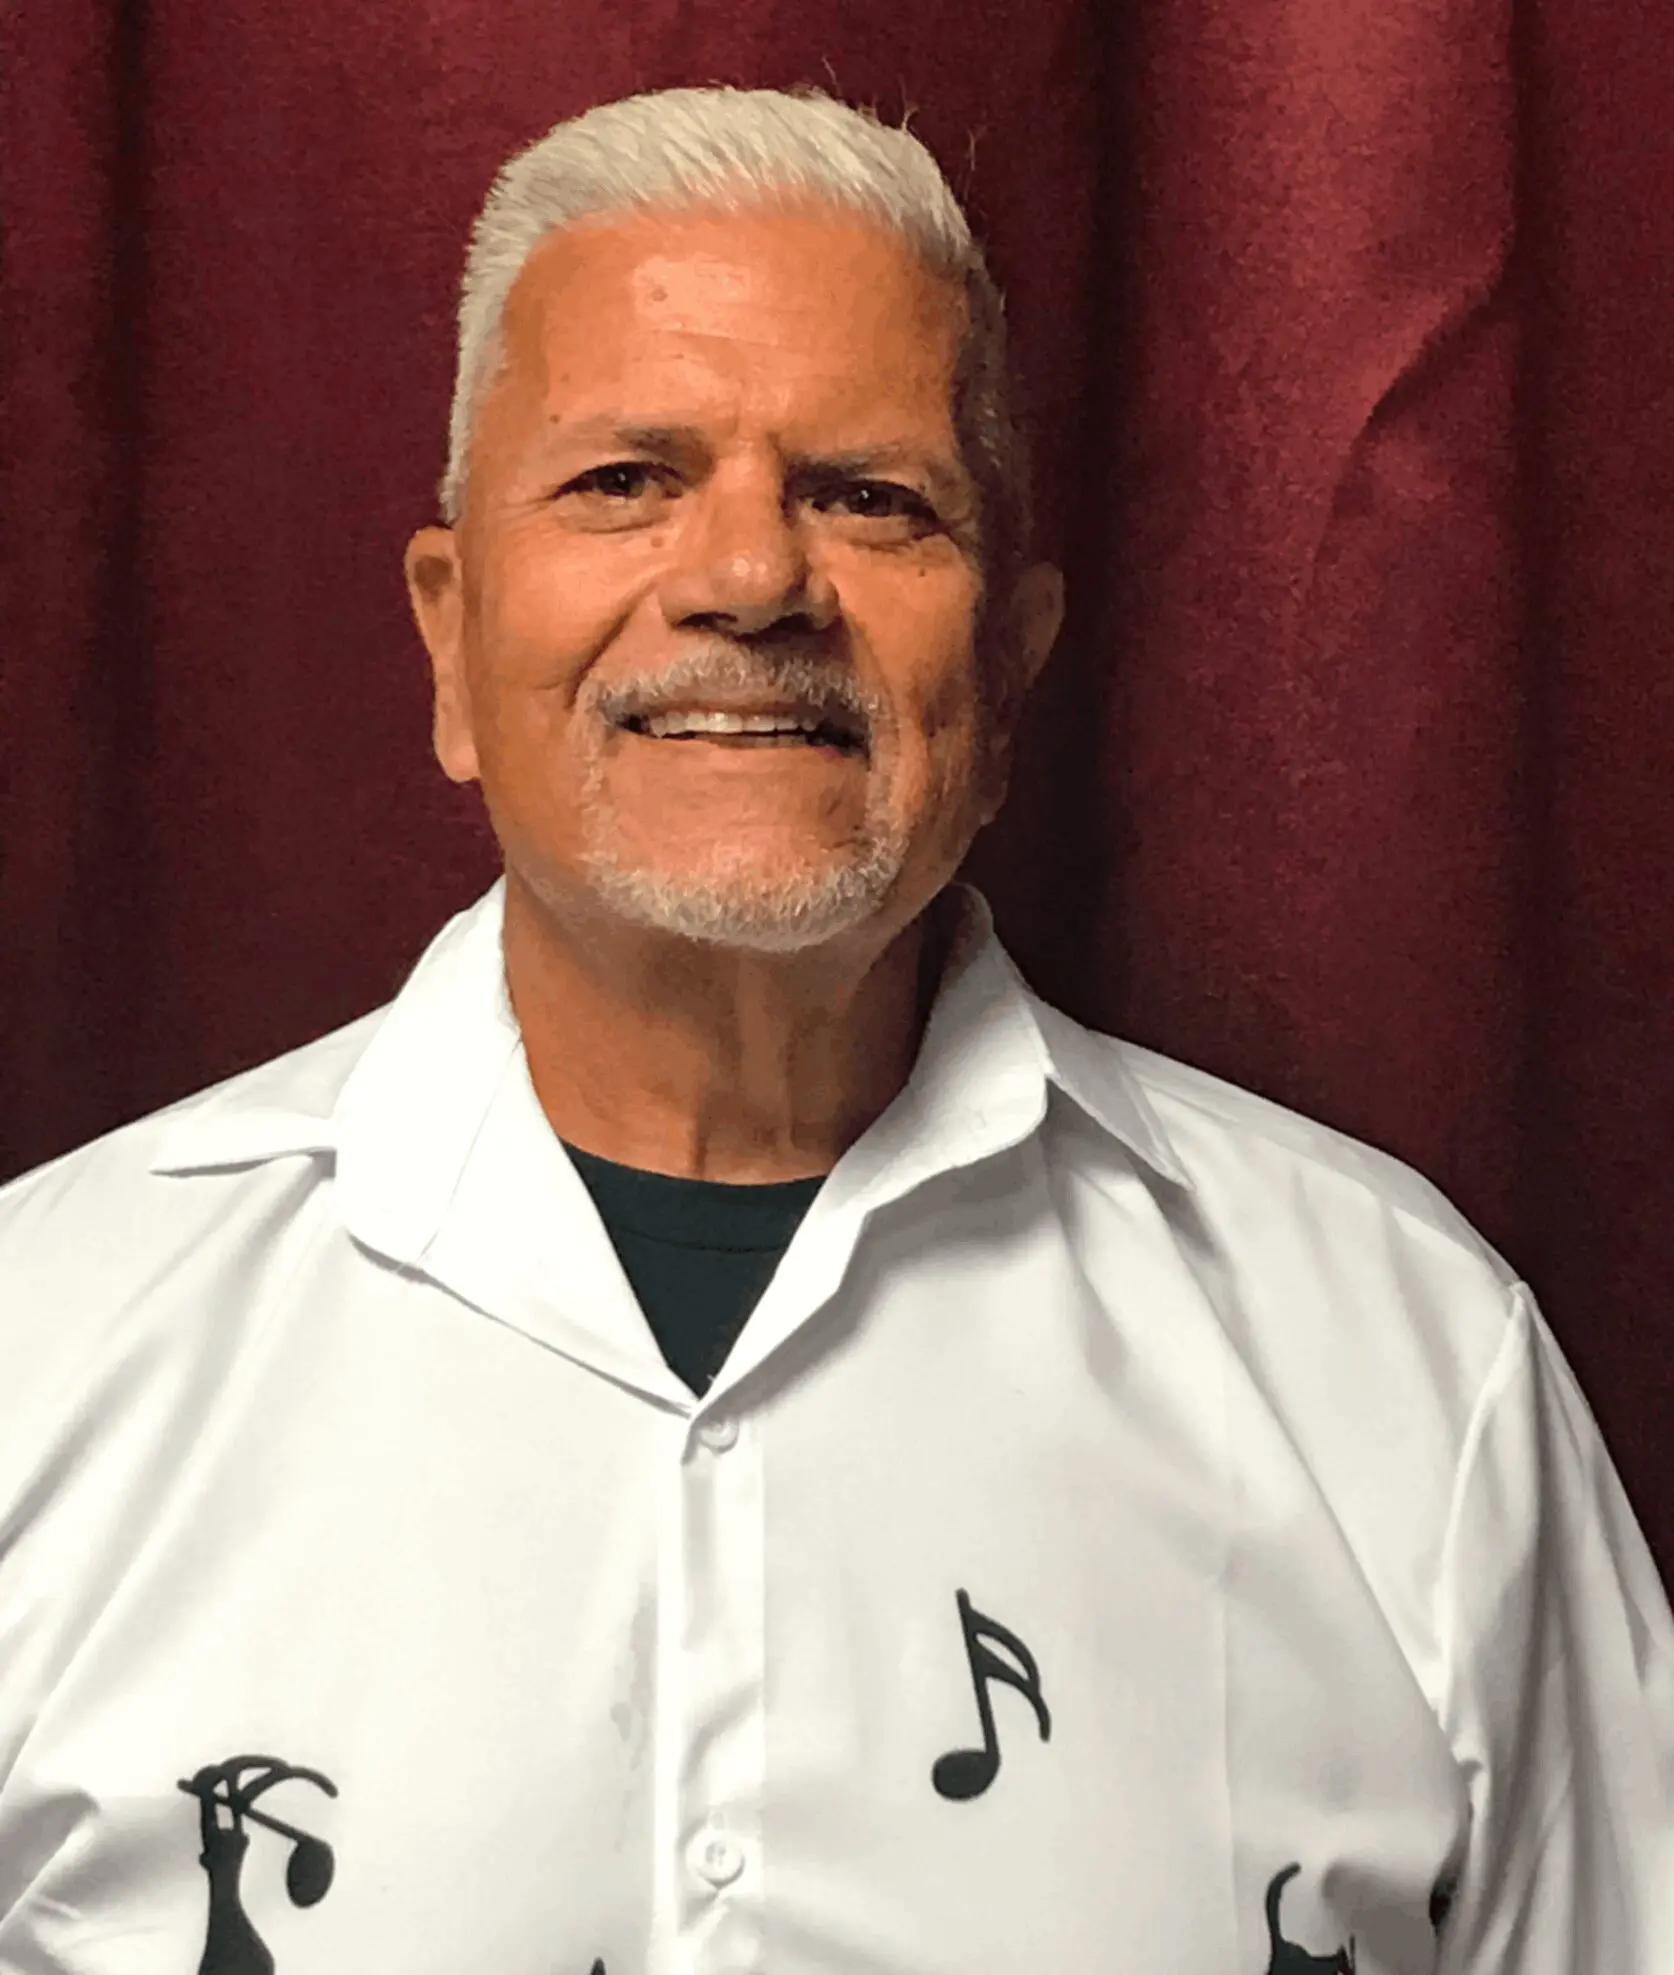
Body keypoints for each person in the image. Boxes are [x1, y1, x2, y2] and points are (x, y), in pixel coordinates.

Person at [0, 83, 1667, 1975]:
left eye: (869, 496)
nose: (747, 581)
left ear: (1008, 661)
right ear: (450, 639)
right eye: (623, 479)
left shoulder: (1409, 1365)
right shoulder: (42, 1350)